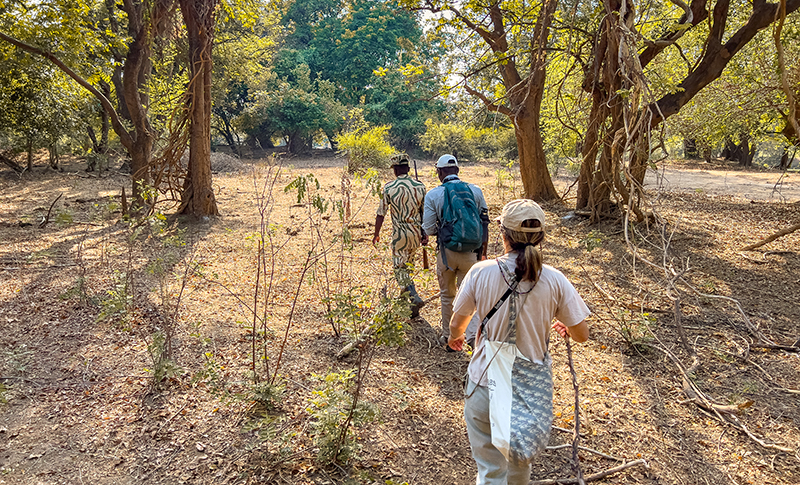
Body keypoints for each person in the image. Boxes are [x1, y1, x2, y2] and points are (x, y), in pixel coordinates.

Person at [448, 199, 590, 485]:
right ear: (542, 237)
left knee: (490, 470)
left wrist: (456, 337)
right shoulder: (555, 280)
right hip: (529, 391)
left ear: (504, 235)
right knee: (519, 469)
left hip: (484, 384)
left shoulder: (481, 272)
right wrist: (564, 325)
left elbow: (457, 323)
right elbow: (582, 333)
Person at [422, 154, 489, 350]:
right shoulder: (475, 190)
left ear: (440, 172)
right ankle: (473, 338)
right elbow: (484, 221)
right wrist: (482, 252)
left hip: (447, 253)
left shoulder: (434, 194)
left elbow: (428, 229)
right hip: (472, 252)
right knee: (471, 296)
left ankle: (449, 337)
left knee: (447, 295)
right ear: (457, 171)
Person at [373, 153, 428, 315]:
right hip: (416, 234)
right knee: (408, 267)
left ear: (395, 170)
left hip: (399, 235)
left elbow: (381, 213)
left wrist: (376, 233)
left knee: (399, 268)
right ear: (408, 169)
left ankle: (413, 296)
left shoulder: (389, 187)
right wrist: (425, 233)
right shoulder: (420, 186)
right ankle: (409, 306)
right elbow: (424, 213)